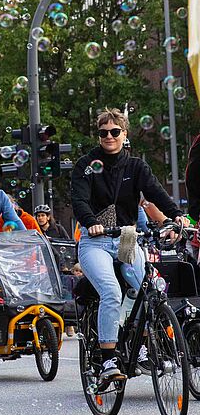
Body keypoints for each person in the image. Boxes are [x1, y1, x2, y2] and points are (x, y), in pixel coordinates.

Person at [71, 107, 188, 384]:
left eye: (114, 131)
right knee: (111, 290)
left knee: (146, 286)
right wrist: (90, 222)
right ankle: (108, 358)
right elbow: (79, 200)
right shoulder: (86, 165)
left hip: (125, 237)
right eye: (103, 133)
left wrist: (176, 216)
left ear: (124, 134)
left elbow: (156, 191)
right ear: (99, 136)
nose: (109, 136)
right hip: (95, 241)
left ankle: (142, 342)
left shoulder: (136, 166)